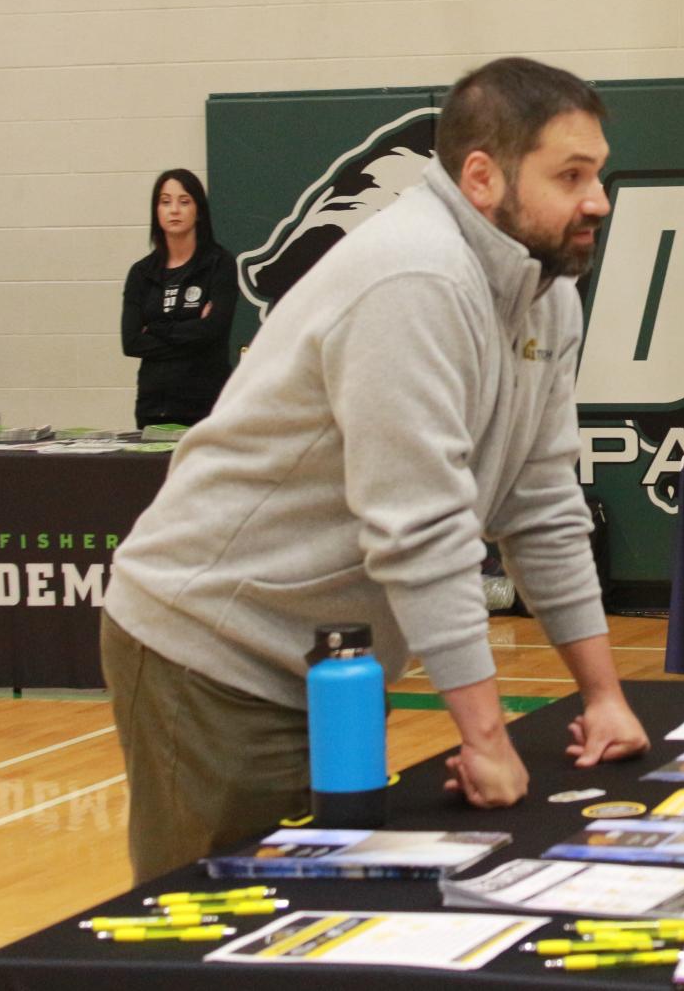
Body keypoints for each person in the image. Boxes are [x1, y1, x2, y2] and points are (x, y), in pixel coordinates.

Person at [101, 57, 650, 884]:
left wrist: (602, 698)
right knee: (212, 939)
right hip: (214, 655)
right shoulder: (415, 277)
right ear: (480, 177)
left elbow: (541, 504)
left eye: (597, 172)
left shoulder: (546, 293)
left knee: (317, 920)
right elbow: (418, 529)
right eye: (569, 175)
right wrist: (485, 735)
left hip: (328, 663)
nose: (595, 199)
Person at [119, 169, 239, 427]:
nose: (174, 210)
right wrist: (191, 329)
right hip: (153, 408)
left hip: (206, 405)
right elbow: (131, 342)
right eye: (165, 202)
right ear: (156, 211)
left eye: (184, 202)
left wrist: (156, 328)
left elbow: (213, 331)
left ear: (199, 211)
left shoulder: (220, 264)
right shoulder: (141, 273)